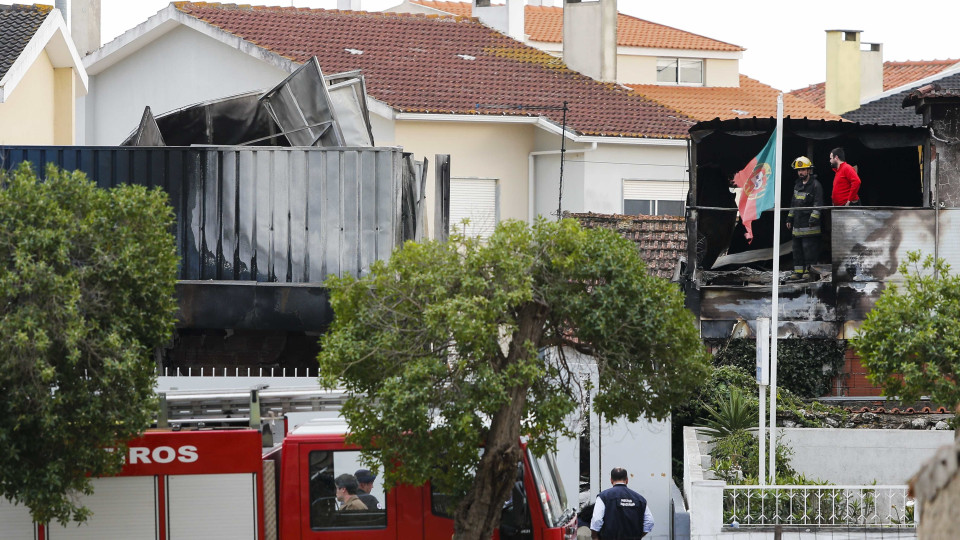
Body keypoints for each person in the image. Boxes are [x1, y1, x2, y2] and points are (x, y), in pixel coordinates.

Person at [785, 156, 824, 282]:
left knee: (809, 250)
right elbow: (793, 204)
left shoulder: (816, 185)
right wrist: (789, 219)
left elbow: (818, 205)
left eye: (803, 170)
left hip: (809, 227)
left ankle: (809, 271)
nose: (800, 172)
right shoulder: (797, 185)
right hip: (797, 226)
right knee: (797, 250)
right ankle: (798, 272)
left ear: (809, 170)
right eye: (798, 170)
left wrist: (813, 220)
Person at [590, 468, 654, 540]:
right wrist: (638, 536)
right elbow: (649, 522)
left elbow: (596, 520)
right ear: (627, 480)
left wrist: (594, 536)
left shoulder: (603, 496)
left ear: (611, 480)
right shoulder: (640, 499)